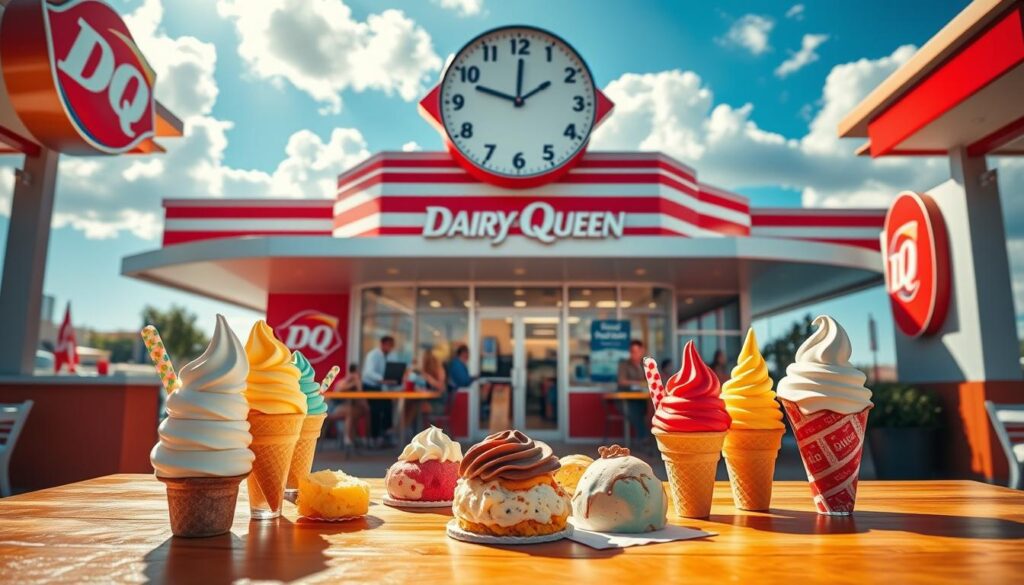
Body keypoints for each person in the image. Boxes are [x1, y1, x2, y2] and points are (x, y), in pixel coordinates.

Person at [362, 335, 399, 446]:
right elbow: (369, 372)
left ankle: (387, 434)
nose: (390, 348)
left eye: (392, 346)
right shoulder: (373, 355)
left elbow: (393, 369)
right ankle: (375, 437)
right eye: (389, 345)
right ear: (382, 344)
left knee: (388, 407)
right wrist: (382, 380)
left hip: (383, 388)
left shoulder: (391, 355)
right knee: (376, 410)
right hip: (370, 386)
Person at [400, 348, 447, 431]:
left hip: (438, 404)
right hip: (425, 400)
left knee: (415, 407)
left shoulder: (439, 370)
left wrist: (427, 377)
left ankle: (406, 431)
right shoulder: (422, 371)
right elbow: (419, 385)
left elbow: (441, 387)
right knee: (410, 404)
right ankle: (406, 431)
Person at [617, 339, 651, 442]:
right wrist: (639, 383)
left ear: (642, 351)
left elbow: (652, 380)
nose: (634, 354)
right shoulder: (624, 364)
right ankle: (644, 438)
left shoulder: (646, 364)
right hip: (626, 398)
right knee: (634, 411)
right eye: (632, 352)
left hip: (643, 398)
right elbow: (622, 381)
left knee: (651, 411)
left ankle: (651, 438)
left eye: (637, 351)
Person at [327, 364, 369, 448]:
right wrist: (353, 382)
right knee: (350, 411)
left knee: (361, 411)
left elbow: (363, 403)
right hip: (333, 409)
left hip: (346, 410)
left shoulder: (356, 386)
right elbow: (339, 389)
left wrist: (358, 385)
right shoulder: (342, 382)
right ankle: (348, 440)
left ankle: (354, 439)